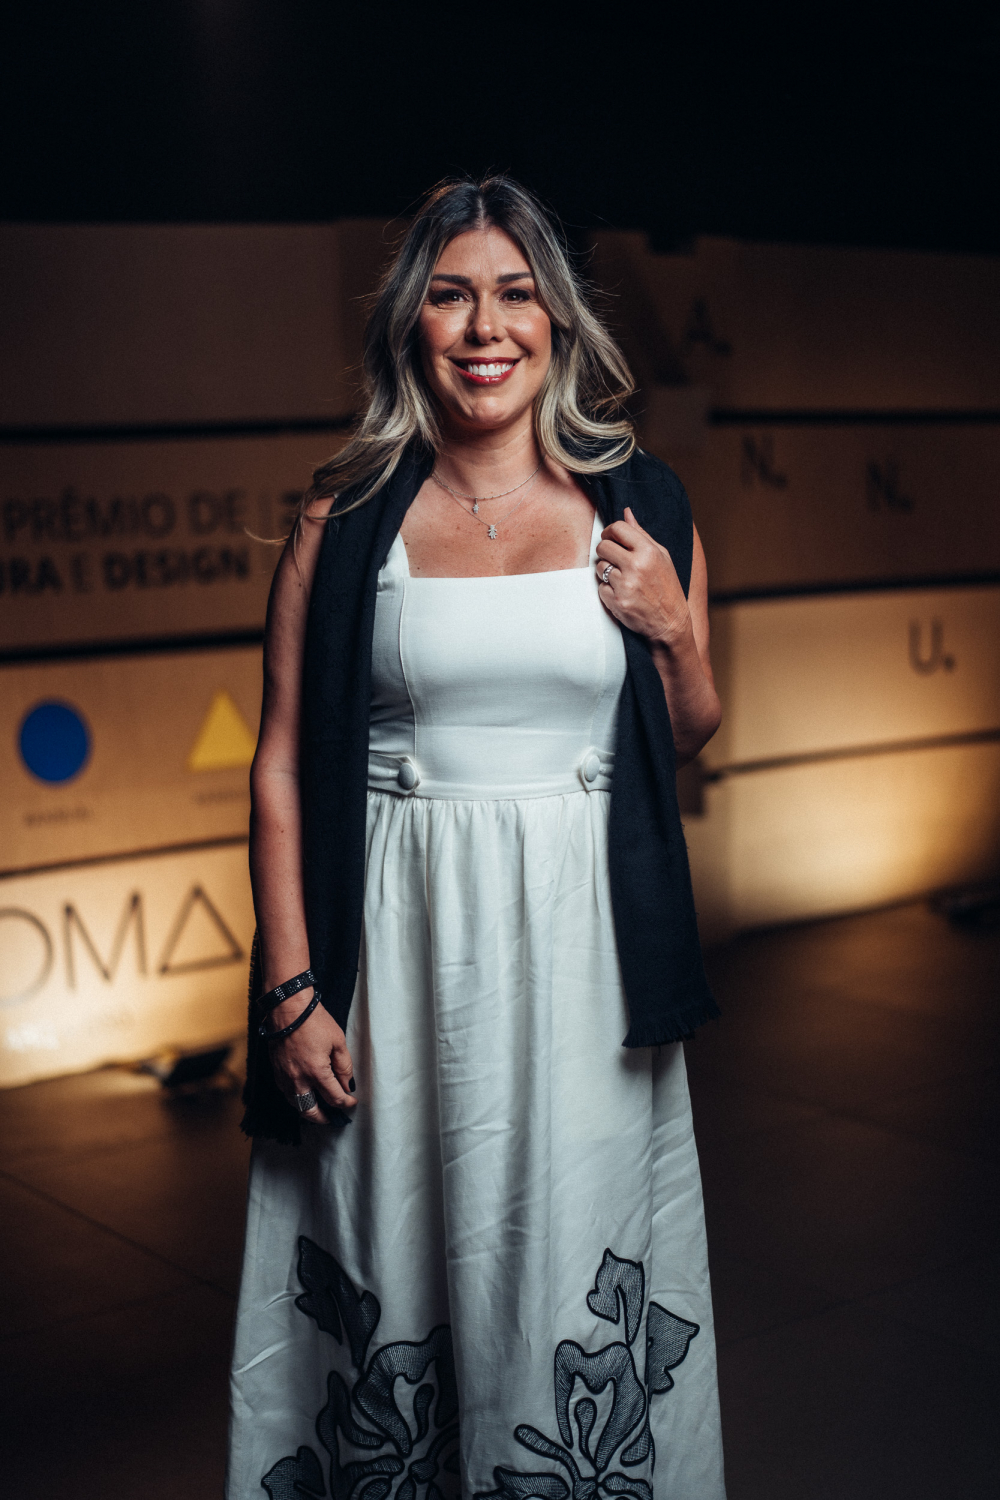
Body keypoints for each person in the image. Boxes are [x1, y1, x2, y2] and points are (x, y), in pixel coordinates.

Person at [227, 175, 726, 1500]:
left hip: (584, 952)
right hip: (399, 946)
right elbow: (280, 765)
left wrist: (671, 626)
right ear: (413, 323)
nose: (484, 326)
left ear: (558, 321)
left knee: (564, 1250)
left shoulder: (642, 507)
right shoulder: (342, 523)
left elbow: (688, 729)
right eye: (451, 296)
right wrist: (293, 993)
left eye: (515, 294)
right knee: (394, 1256)